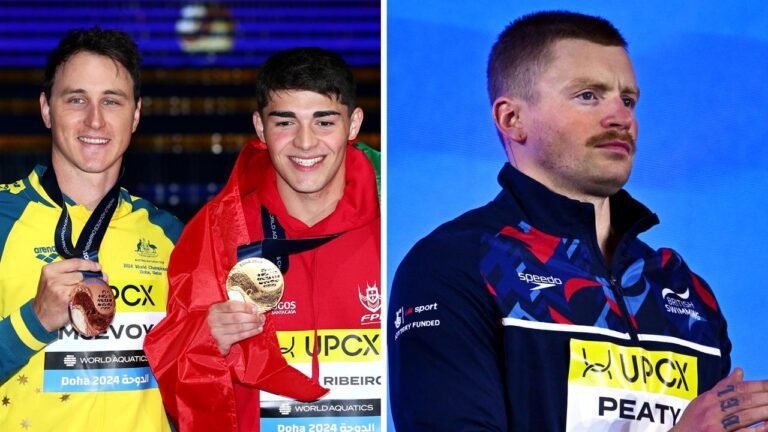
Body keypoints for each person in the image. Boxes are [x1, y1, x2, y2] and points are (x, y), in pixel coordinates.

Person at [388, 10, 768, 432]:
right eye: (588, 95)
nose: (621, 118)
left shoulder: (684, 291)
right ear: (511, 119)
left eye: (628, 100)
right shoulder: (453, 265)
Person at [145, 47, 381, 432]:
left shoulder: (396, 218)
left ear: (353, 125)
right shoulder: (218, 228)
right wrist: (206, 340)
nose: (305, 143)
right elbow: (173, 376)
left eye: (324, 122)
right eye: (285, 123)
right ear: (260, 127)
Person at [0, 28, 182, 431]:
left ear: (135, 115)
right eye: (76, 99)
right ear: (47, 108)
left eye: (112, 101)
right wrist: (33, 320)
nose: (94, 119)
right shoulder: (2, 218)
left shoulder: (170, 236)